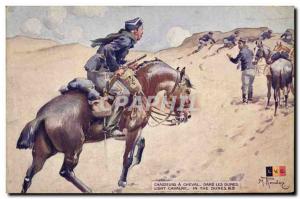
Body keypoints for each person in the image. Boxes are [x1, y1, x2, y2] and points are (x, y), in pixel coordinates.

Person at [84, 17, 144, 137]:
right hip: (99, 74)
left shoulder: (125, 39)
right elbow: (107, 49)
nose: (142, 33)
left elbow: (114, 56)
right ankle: (110, 128)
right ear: (135, 31)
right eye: (141, 30)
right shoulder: (126, 40)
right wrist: (116, 68)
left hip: (101, 71)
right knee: (124, 93)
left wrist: (126, 63)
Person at [227, 39, 256, 103]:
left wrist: (230, 58)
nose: (238, 45)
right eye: (238, 44)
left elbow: (235, 61)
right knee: (250, 85)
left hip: (246, 70)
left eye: (240, 44)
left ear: (243, 44)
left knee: (245, 85)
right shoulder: (250, 51)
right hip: (253, 70)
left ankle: (245, 101)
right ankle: (250, 99)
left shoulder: (242, 52)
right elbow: (252, 59)